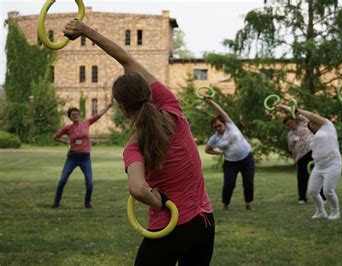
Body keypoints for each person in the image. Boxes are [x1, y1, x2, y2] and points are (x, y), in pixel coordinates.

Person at [63, 20, 214, 264]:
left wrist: (161, 202)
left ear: (122, 109)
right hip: (204, 222)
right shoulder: (172, 108)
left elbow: (138, 189)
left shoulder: (134, 147)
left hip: (170, 226)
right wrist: (86, 31)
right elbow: (126, 59)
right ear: (149, 91)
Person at [52, 102, 113, 209]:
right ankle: (56, 202)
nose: (75, 116)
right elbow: (55, 137)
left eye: (76, 114)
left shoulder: (86, 123)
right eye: (72, 115)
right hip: (72, 157)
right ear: (70, 117)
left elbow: (99, 114)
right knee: (62, 180)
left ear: (79, 114)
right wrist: (65, 142)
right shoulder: (68, 128)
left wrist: (108, 106)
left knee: (89, 183)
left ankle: (87, 202)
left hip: (85, 158)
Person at [203, 97, 255, 211]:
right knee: (229, 184)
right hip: (230, 163)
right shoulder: (214, 138)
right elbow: (207, 149)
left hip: (247, 158)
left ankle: (248, 204)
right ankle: (225, 204)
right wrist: (219, 153)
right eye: (215, 127)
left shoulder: (230, 126)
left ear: (224, 123)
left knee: (248, 182)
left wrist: (211, 102)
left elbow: (221, 111)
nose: (218, 128)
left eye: (219, 125)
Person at [291, 106, 342, 220]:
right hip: (318, 166)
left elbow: (311, 116)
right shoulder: (314, 139)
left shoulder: (328, 126)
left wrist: (297, 110)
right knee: (313, 191)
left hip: (332, 163)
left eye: (313, 124)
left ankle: (335, 212)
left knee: (328, 191)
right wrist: (281, 107)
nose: (312, 127)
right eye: (310, 127)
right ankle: (320, 211)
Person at [276, 104, 326, 204]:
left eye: (290, 122)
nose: (290, 125)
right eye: (288, 125)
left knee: (318, 174)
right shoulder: (290, 135)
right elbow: (292, 149)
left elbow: (295, 110)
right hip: (301, 157)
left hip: (313, 152)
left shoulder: (303, 123)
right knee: (302, 177)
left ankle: (322, 196)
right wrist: (295, 160)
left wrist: (281, 106)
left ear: (294, 120)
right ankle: (302, 198)